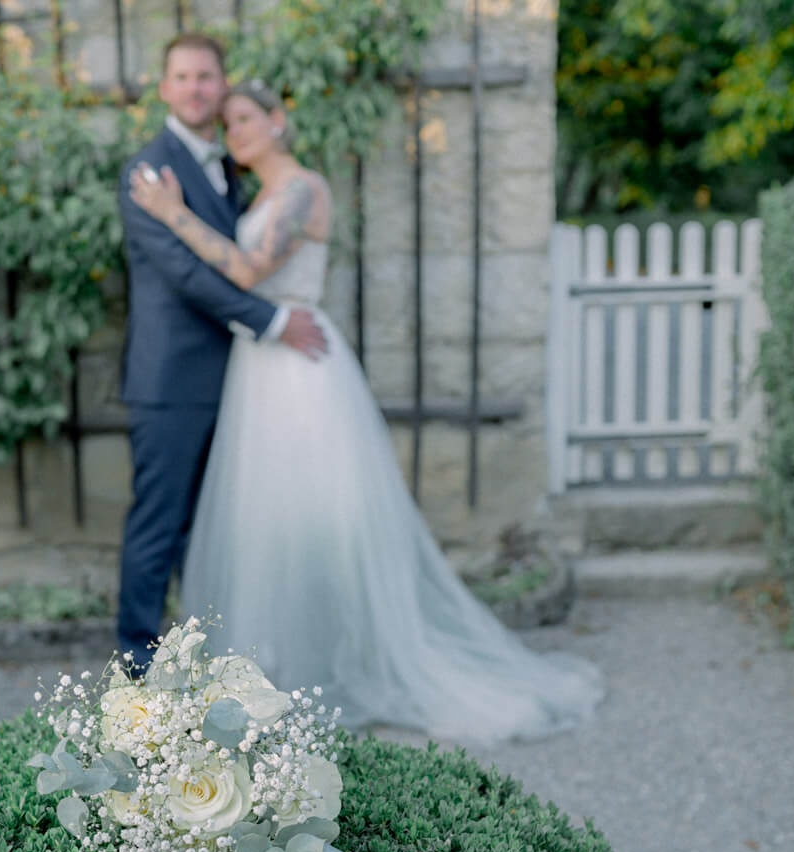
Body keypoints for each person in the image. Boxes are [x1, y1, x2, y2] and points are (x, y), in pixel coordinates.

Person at [127, 78, 603, 744]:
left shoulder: (302, 190)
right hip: (257, 369)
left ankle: (336, 659)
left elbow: (244, 269)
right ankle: (276, 663)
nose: (235, 132)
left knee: (325, 517)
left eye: (245, 118)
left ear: (278, 119)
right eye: (229, 123)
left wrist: (169, 211)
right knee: (268, 520)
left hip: (300, 368)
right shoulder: (259, 192)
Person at [115, 35, 328, 675]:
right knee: (158, 529)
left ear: (222, 83)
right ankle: (135, 673)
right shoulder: (149, 172)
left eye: (207, 77)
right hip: (172, 379)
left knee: (218, 534)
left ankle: (207, 665)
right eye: (182, 76)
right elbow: (187, 273)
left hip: (238, 381)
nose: (196, 89)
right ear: (164, 88)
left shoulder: (235, 168)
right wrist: (271, 321)